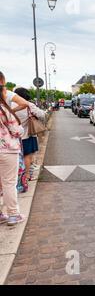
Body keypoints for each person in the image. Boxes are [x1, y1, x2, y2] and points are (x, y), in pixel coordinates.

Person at [0, 71, 29, 226]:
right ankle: (13, 214)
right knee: (9, 183)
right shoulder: (4, 109)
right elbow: (16, 131)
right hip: (6, 149)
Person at [14, 88, 46, 182]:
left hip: (14, 136)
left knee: (17, 157)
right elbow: (42, 115)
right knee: (27, 156)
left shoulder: (10, 105)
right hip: (27, 134)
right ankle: (27, 176)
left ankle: (18, 176)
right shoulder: (28, 105)